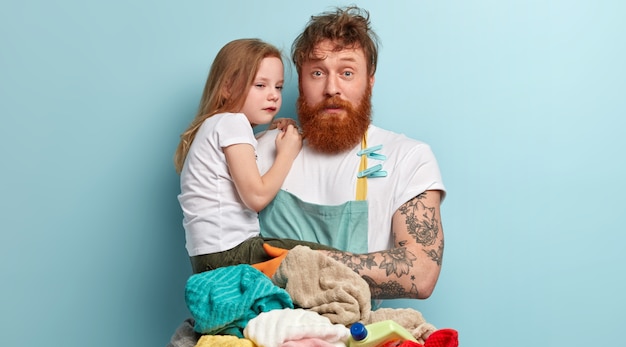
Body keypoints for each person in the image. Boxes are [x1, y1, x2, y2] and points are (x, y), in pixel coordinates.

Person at [256, 6, 446, 300]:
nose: (332, 88)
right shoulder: (256, 150)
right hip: (259, 335)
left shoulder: (408, 158)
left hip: (355, 340)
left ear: (370, 80)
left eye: (347, 72)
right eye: (317, 73)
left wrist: (299, 265)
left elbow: (420, 273)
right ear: (301, 81)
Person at [174, 38, 332, 274]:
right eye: (260, 85)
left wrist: (265, 134)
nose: (273, 96)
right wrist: (286, 154)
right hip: (232, 253)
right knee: (331, 259)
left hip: (207, 259)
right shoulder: (232, 122)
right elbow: (256, 197)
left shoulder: (215, 125)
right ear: (227, 87)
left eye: (278, 87)